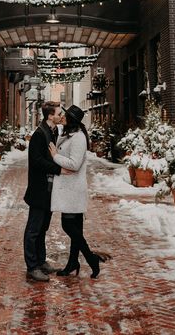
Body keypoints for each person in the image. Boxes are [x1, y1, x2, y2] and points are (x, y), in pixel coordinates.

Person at [49, 105, 105, 279]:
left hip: (72, 189)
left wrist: (54, 156)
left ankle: (91, 258)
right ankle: (73, 262)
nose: (63, 117)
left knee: (68, 225)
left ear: (72, 120)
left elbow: (75, 164)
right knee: (76, 230)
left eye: (65, 116)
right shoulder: (67, 134)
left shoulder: (79, 138)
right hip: (68, 188)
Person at [23, 101, 64, 282]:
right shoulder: (39, 134)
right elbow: (37, 160)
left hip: (49, 189)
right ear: (50, 116)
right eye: (58, 113)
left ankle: (41, 261)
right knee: (33, 229)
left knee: (43, 228)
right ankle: (32, 266)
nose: (61, 115)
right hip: (39, 189)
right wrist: (59, 168)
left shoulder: (53, 131)